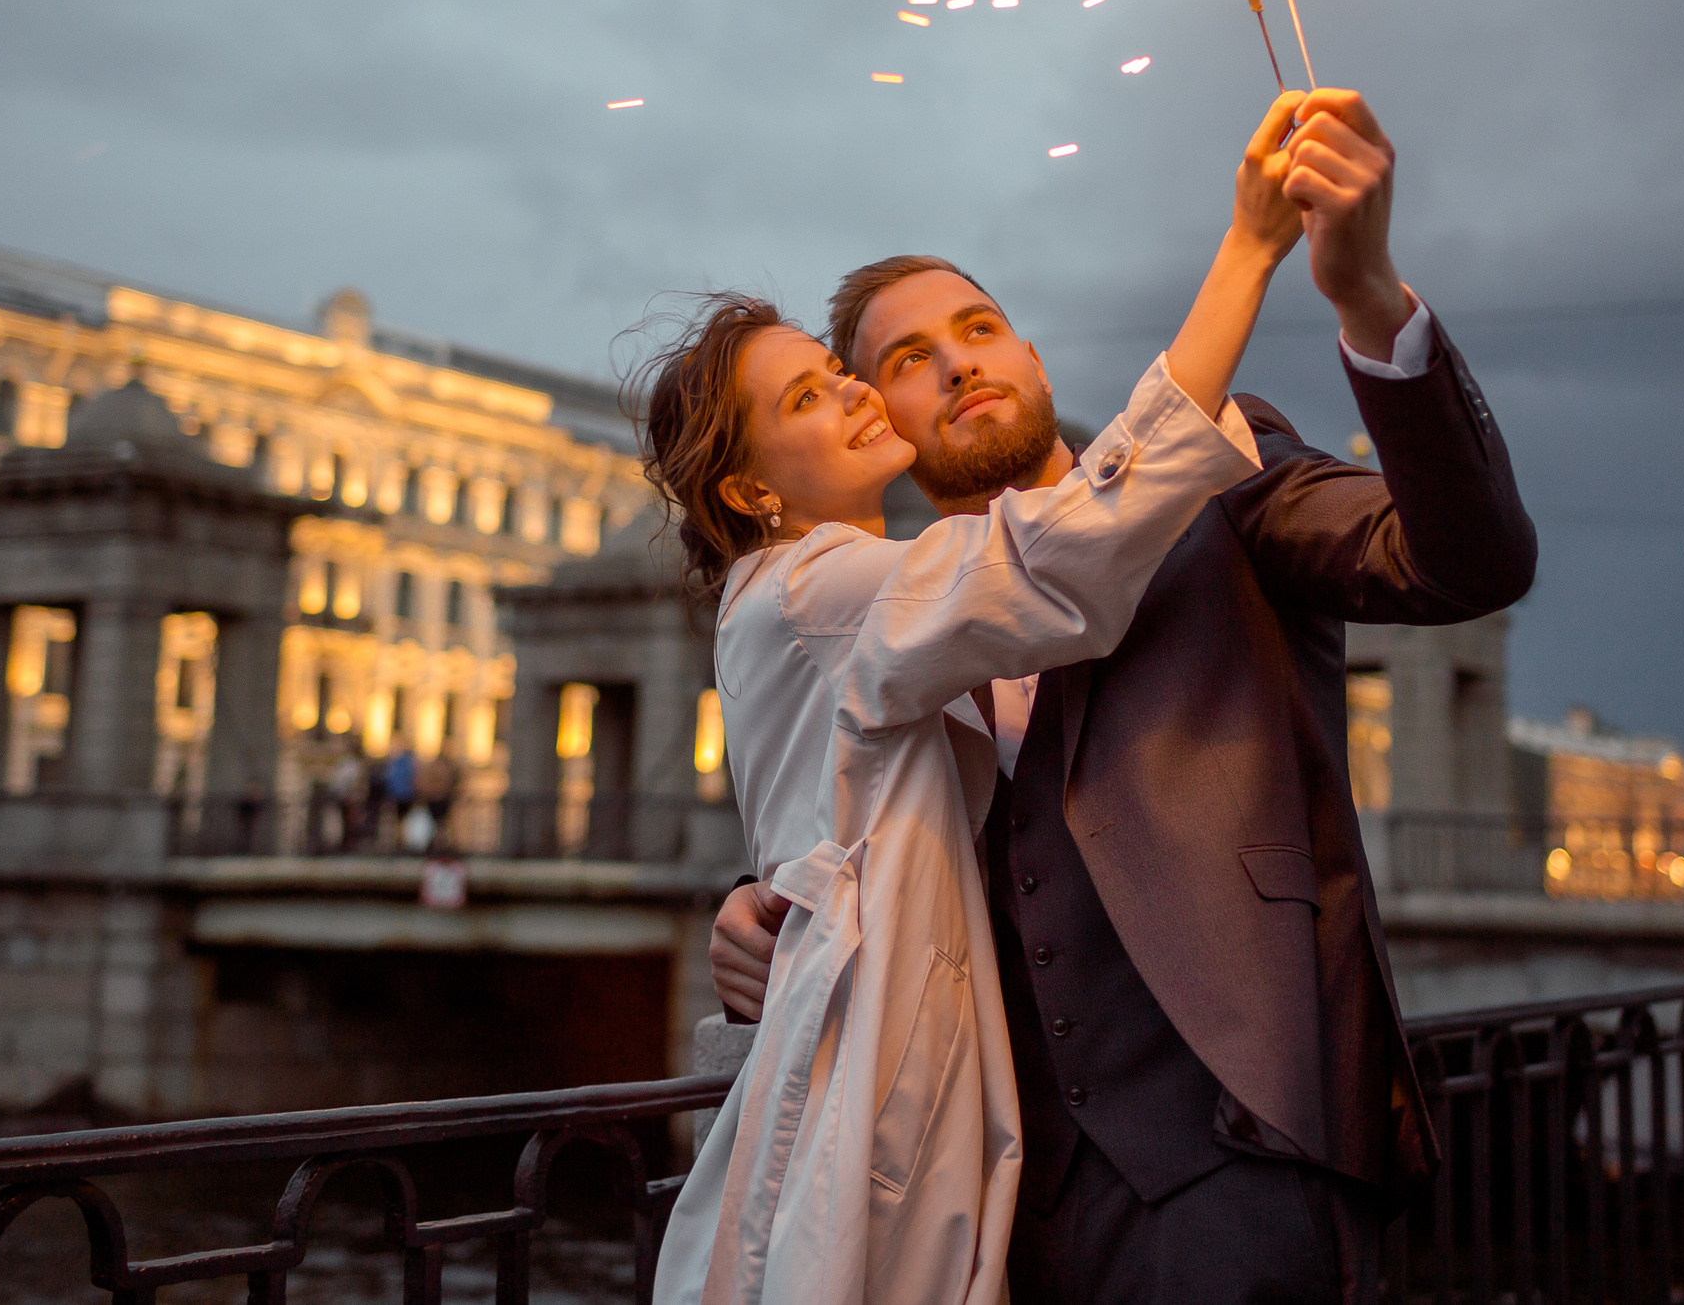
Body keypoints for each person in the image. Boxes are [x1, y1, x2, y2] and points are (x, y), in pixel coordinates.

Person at [710, 88, 1538, 1305]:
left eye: (979, 329)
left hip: (1248, 1151)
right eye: (908, 361)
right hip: (1002, 1204)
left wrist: (1370, 301)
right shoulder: (893, 615)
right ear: (878, 419)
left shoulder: (1222, 470)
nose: (958, 363)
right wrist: (756, 910)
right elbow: (859, 826)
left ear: (1032, 361)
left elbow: (1467, 561)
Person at [641, 97, 1317, 1305]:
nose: (855, 396)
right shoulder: (819, 588)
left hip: (997, 1104)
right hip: (892, 1086)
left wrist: (757, 900)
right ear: (748, 491)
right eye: (809, 400)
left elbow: (844, 808)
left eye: (839, 376)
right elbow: (1070, 556)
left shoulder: (849, 593)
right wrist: (1249, 251)